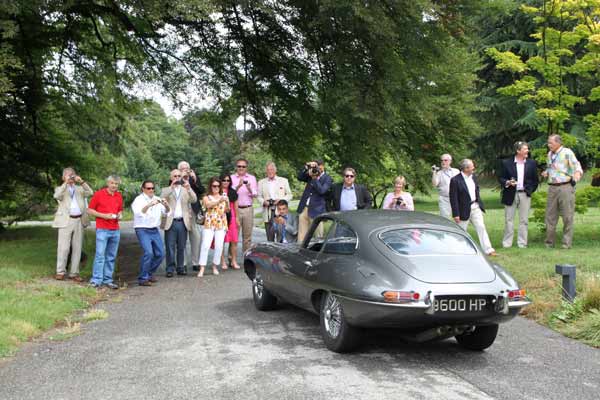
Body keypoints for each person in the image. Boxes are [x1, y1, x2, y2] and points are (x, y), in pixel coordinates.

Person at [541, 134, 583, 249]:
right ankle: (549, 244)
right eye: (548, 143)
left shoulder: (567, 152)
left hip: (565, 187)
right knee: (550, 216)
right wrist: (547, 172)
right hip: (552, 188)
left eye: (551, 143)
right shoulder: (550, 154)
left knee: (567, 216)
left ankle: (566, 244)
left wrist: (576, 176)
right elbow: (551, 168)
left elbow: (577, 167)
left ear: (558, 143)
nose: (548, 145)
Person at [52, 167, 94, 282]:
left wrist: (82, 182)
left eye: (72, 175)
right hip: (66, 220)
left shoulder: (79, 188)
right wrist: (65, 183)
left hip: (79, 220)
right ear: (63, 177)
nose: (71, 177)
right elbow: (57, 196)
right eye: (68, 175)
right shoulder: (60, 188)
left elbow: (90, 192)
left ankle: (74, 273)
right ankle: (60, 271)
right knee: (63, 247)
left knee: (77, 247)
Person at [449, 159, 497, 256]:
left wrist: (478, 202)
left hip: (475, 206)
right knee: (461, 231)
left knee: (481, 227)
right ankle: (459, 251)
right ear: (466, 168)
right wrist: (456, 214)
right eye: (471, 166)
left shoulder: (473, 177)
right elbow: (453, 198)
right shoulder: (455, 180)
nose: (473, 168)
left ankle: (488, 250)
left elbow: (476, 190)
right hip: (463, 209)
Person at [498, 141, 539, 248]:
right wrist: (507, 182)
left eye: (527, 149)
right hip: (510, 193)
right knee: (509, 220)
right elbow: (501, 178)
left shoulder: (532, 163)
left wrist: (529, 190)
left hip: (525, 194)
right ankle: (507, 243)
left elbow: (535, 180)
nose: (527, 151)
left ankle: (522, 243)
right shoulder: (506, 163)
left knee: (524, 220)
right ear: (518, 151)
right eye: (525, 149)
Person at [87, 175, 124, 289]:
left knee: (111, 256)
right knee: (100, 255)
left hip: (115, 229)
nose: (114, 186)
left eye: (116, 184)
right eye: (112, 183)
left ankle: (108, 279)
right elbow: (89, 210)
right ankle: (96, 280)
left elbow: (120, 210)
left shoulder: (119, 195)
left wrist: (120, 215)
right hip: (102, 229)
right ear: (108, 183)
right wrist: (104, 216)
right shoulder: (99, 194)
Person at [131, 180, 170, 286]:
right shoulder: (138, 200)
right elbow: (138, 213)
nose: (151, 190)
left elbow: (167, 212)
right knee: (149, 253)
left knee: (161, 254)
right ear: (143, 189)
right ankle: (143, 278)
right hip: (142, 229)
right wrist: (149, 205)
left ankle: (149, 273)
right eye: (148, 188)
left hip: (154, 229)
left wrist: (166, 205)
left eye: (153, 188)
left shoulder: (157, 199)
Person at [160, 169, 197, 277]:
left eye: (179, 176)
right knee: (170, 246)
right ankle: (170, 269)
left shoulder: (186, 189)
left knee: (181, 246)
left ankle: (180, 267)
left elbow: (194, 200)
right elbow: (161, 198)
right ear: (171, 178)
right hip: (171, 221)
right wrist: (171, 187)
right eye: (174, 176)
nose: (177, 178)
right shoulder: (166, 189)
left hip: (182, 221)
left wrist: (189, 188)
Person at [198, 177, 230, 277]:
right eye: (214, 186)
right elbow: (208, 205)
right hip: (209, 223)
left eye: (218, 186)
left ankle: (215, 265)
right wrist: (220, 200)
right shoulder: (206, 197)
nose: (216, 188)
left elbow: (227, 210)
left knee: (219, 246)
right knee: (205, 245)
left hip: (221, 223)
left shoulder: (223, 197)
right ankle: (202, 267)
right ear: (210, 186)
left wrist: (227, 201)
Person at [297, 159, 333, 242]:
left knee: (318, 236)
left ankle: (317, 253)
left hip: (317, 210)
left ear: (323, 166)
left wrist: (315, 178)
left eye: (318, 166)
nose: (317, 169)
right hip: (304, 208)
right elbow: (299, 177)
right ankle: (300, 251)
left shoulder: (327, 178)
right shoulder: (310, 174)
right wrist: (306, 167)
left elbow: (322, 191)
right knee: (301, 235)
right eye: (315, 167)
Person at [178, 161, 205, 272]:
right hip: (182, 211)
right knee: (182, 238)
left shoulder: (193, 178)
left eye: (187, 168)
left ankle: (196, 262)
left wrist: (194, 180)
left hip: (193, 210)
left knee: (196, 237)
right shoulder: (176, 178)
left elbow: (202, 191)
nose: (185, 170)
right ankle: (182, 263)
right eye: (183, 168)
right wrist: (181, 178)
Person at [257, 162, 293, 241]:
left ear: (275, 170)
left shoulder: (283, 181)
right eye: (268, 170)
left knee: (281, 237)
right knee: (270, 238)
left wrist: (281, 200)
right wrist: (263, 202)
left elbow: (290, 195)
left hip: (280, 212)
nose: (270, 171)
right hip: (268, 212)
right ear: (266, 171)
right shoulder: (261, 182)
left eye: (272, 169)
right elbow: (259, 196)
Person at [230, 159, 257, 253]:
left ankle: (246, 259)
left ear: (246, 168)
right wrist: (238, 186)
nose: (241, 168)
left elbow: (255, 194)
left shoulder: (252, 178)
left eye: (243, 166)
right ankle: (231, 259)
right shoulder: (231, 178)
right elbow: (229, 194)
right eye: (239, 166)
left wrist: (249, 188)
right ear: (236, 167)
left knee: (247, 237)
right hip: (235, 209)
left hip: (247, 209)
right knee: (234, 236)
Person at [219, 174, 241, 270]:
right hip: (220, 216)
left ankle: (233, 261)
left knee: (234, 240)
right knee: (221, 241)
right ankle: (222, 262)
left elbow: (236, 207)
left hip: (231, 216)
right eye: (224, 180)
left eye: (228, 180)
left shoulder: (233, 192)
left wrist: (237, 218)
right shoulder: (217, 191)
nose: (226, 182)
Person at [432, 153, 460, 219]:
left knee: (459, 218)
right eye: (442, 160)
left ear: (450, 161)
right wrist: (434, 172)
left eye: (445, 160)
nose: (443, 162)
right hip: (444, 199)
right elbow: (434, 184)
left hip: (457, 198)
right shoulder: (439, 173)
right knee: (445, 218)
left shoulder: (456, 171)